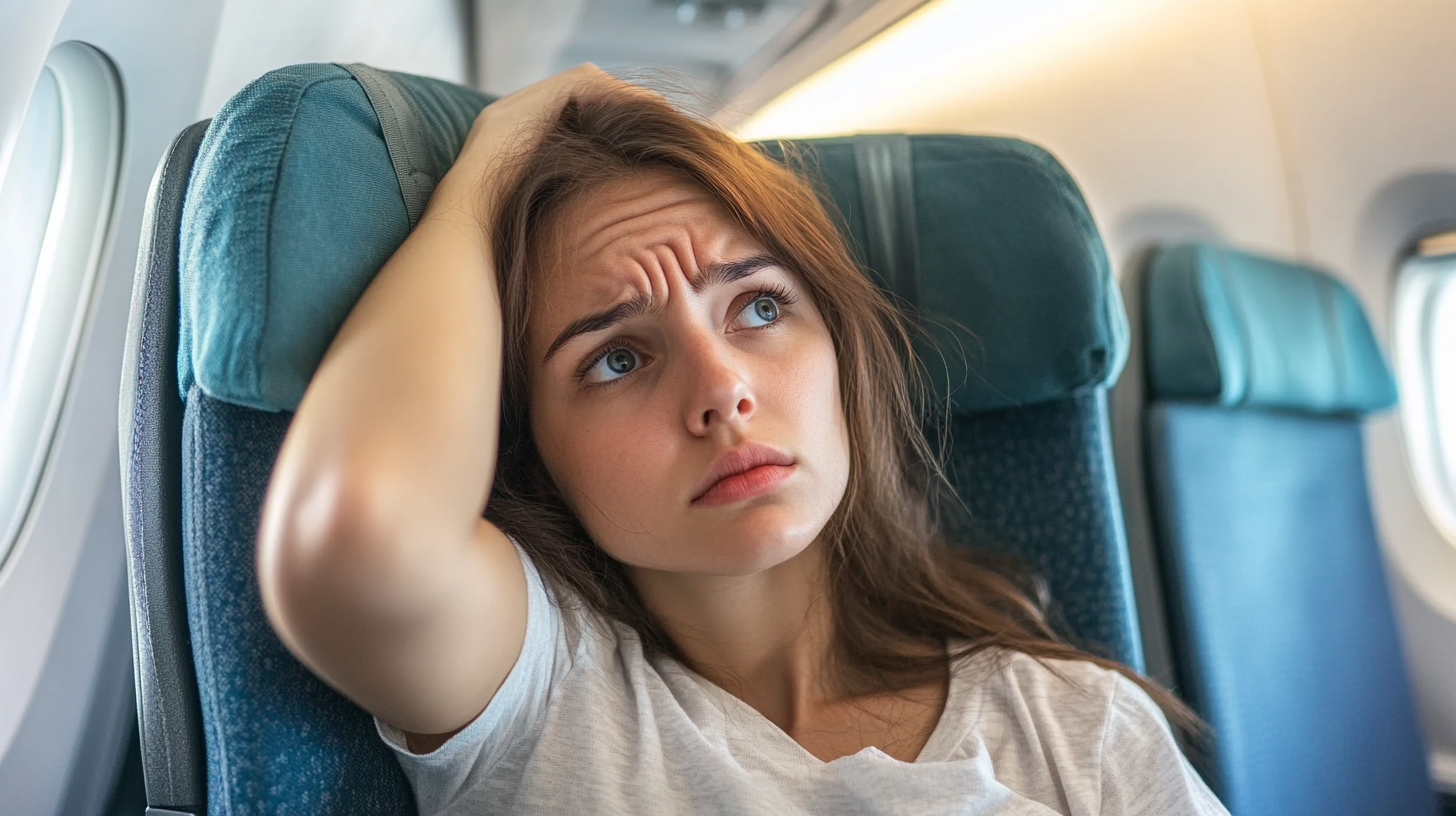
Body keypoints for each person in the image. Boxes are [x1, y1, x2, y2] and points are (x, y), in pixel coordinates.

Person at [256, 65, 1228, 815]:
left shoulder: (1074, 727)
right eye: (616, 359)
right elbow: (361, 540)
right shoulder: (549, 701)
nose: (721, 390)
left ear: (842, 353)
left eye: (759, 306)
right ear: (533, 450)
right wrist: (489, 169)